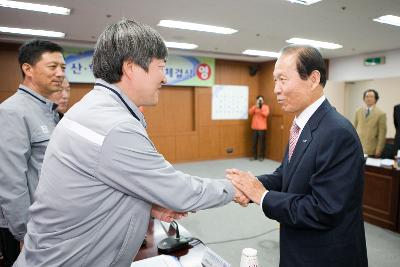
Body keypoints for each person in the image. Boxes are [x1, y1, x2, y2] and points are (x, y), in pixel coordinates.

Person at [14, 19, 243, 267]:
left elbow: (99, 186)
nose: (164, 78)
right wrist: (236, 188)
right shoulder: (115, 126)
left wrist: (149, 206)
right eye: (161, 67)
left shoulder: (92, 108)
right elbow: (180, 192)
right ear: (131, 67)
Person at [227, 45, 368, 266]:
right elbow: (287, 176)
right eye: (275, 80)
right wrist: (250, 185)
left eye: (282, 79)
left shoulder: (337, 133)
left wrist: (262, 196)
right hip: (298, 249)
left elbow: (323, 209)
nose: (276, 89)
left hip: (325, 257)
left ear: (313, 79)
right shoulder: (302, 124)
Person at [0, 39, 65, 267]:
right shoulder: (12, 112)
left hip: (48, 224)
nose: (60, 73)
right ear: (27, 69)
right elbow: (10, 180)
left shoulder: (47, 111)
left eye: (63, 68)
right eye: (52, 67)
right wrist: (25, 234)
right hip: (28, 231)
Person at [353, 89, 387, 157]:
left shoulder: (381, 114)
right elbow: (354, 129)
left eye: (371, 96)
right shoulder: (358, 111)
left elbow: (382, 134)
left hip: (372, 149)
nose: (368, 98)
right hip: (358, 147)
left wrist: (379, 149)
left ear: (375, 99)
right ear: (364, 99)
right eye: (367, 96)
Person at [248, 95, 270, 161]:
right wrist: (256, 107)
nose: (260, 101)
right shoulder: (255, 106)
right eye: (259, 100)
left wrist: (260, 109)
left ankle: (261, 156)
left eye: (261, 100)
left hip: (262, 128)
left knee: (261, 143)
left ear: (263, 101)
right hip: (254, 127)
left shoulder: (266, 107)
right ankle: (254, 156)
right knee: (254, 143)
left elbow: (266, 114)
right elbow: (249, 112)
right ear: (256, 100)